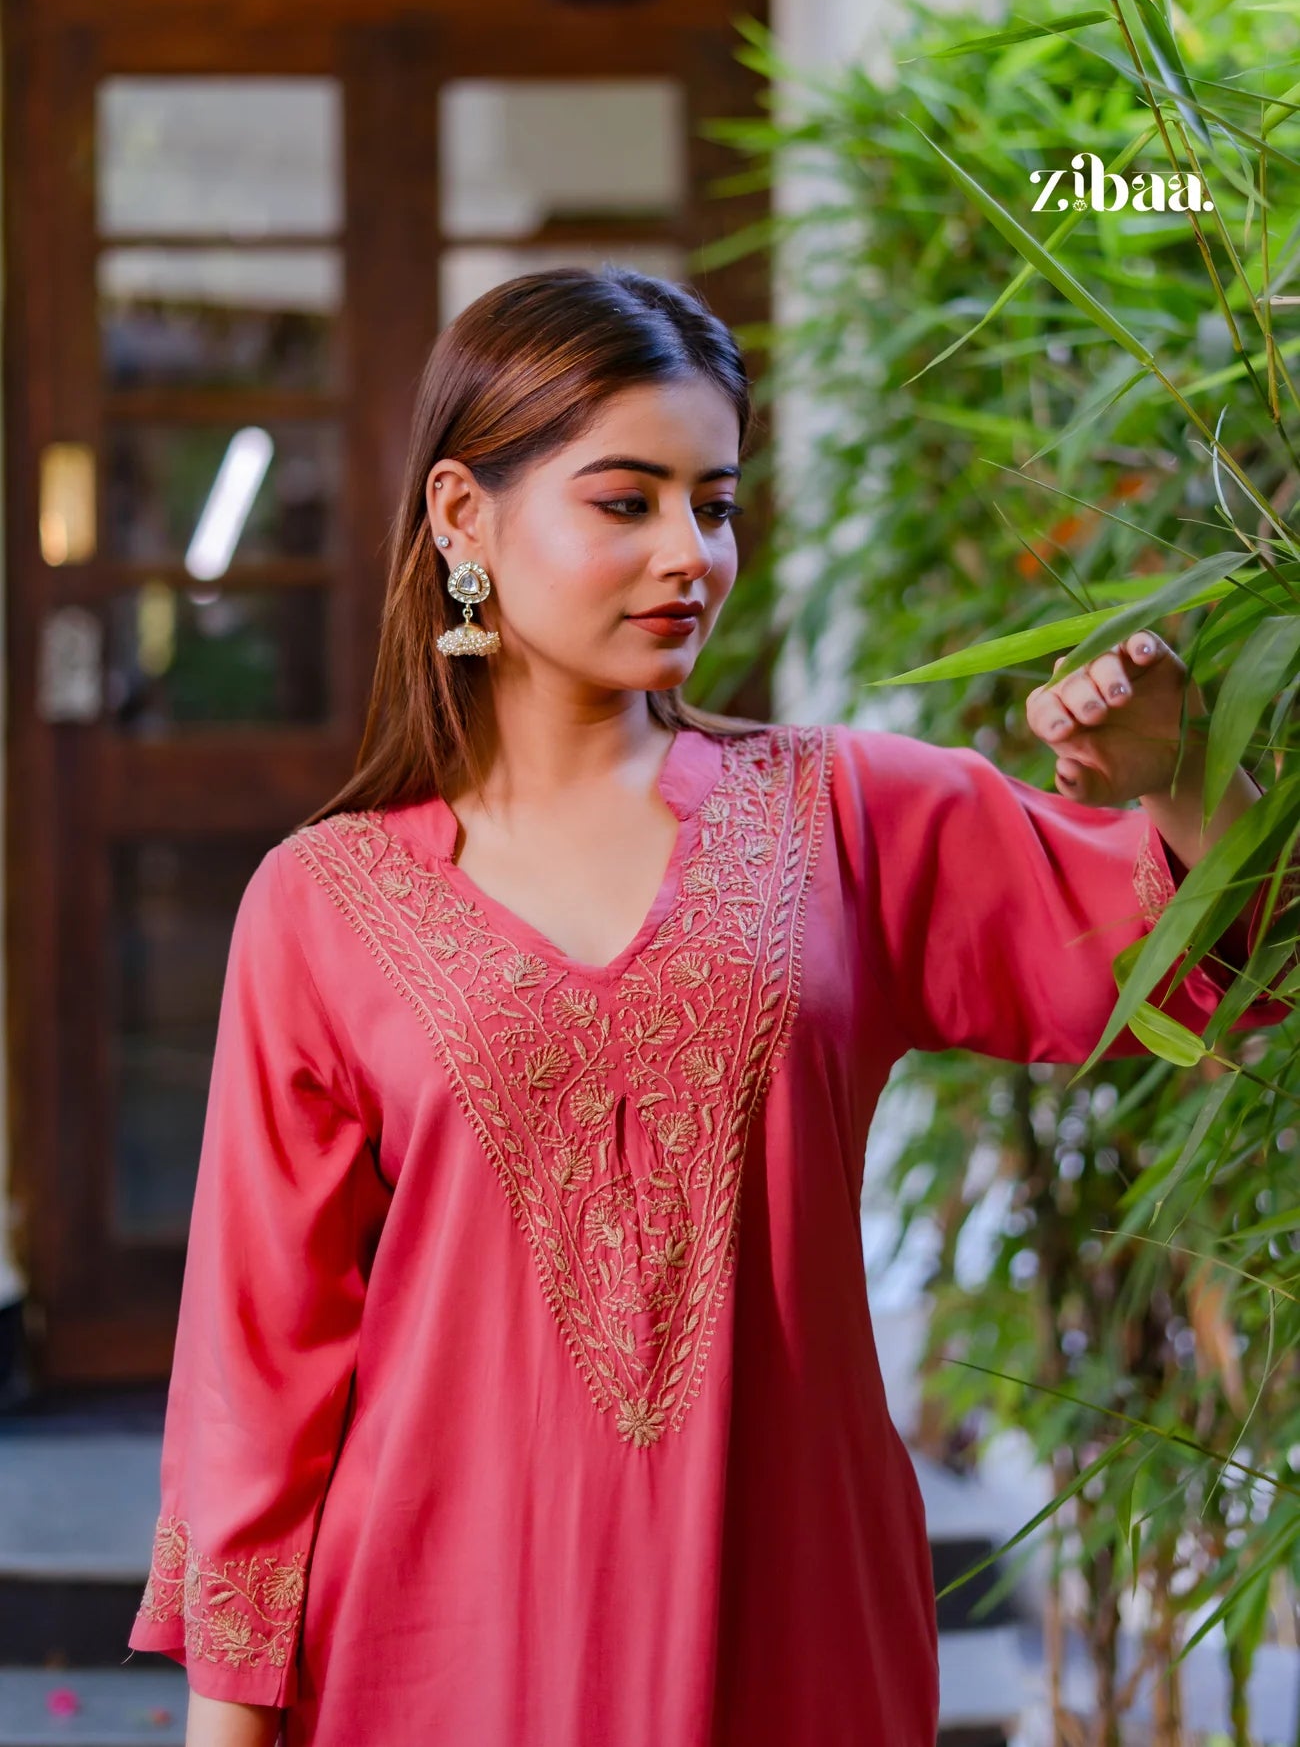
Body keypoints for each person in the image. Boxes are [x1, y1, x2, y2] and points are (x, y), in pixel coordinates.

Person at [124, 265, 1295, 1747]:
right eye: (628, 502)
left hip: (786, 1630)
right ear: (462, 519)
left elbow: (1224, 964)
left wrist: (1192, 767)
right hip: (438, 1653)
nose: (691, 553)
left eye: (716, 503)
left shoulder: (847, 818)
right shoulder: (322, 901)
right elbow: (259, 1369)